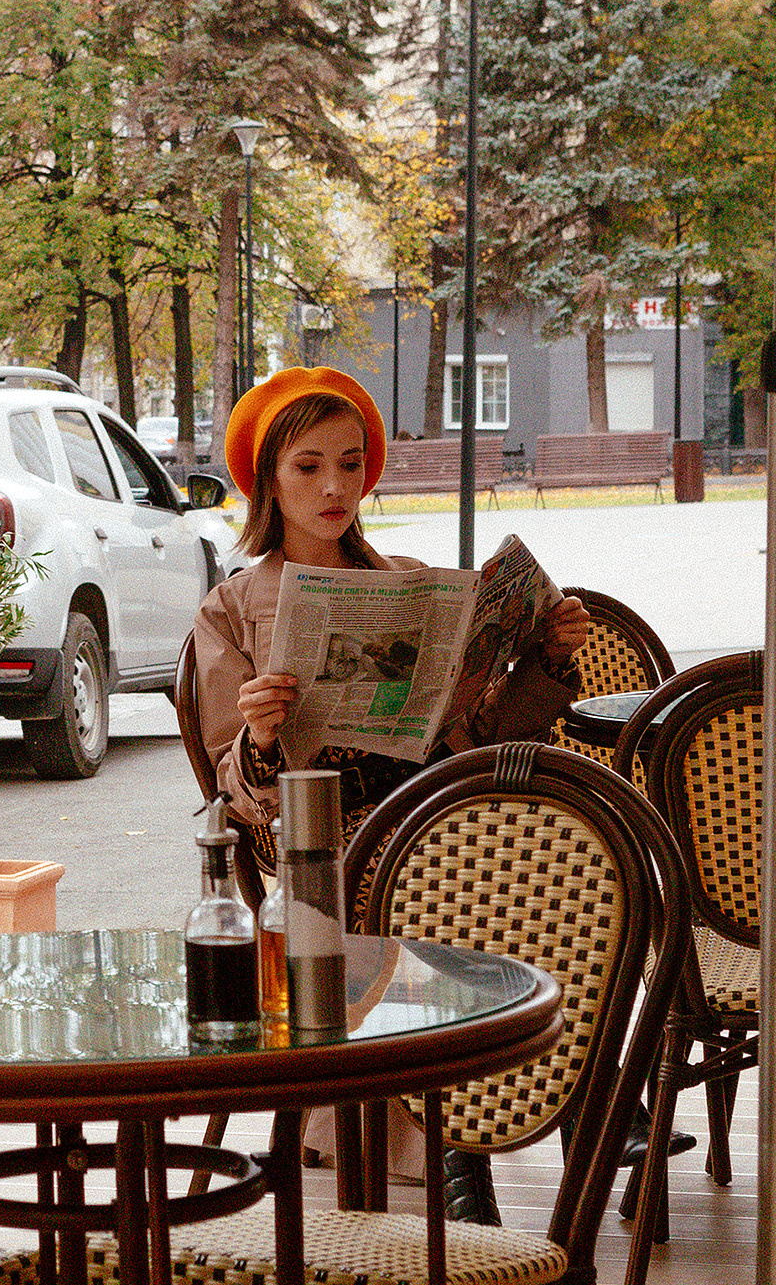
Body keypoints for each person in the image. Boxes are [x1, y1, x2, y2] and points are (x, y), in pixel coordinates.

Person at [193, 368, 589, 1214]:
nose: (335, 486)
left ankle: (578, 1089)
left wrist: (546, 658)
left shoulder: (414, 580)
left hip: (432, 805)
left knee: (571, 860)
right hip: (311, 830)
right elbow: (234, 791)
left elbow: (487, 736)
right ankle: (472, 1145)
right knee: (440, 876)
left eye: (350, 462)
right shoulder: (230, 607)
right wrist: (261, 733)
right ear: (267, 476)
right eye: (308, 467)